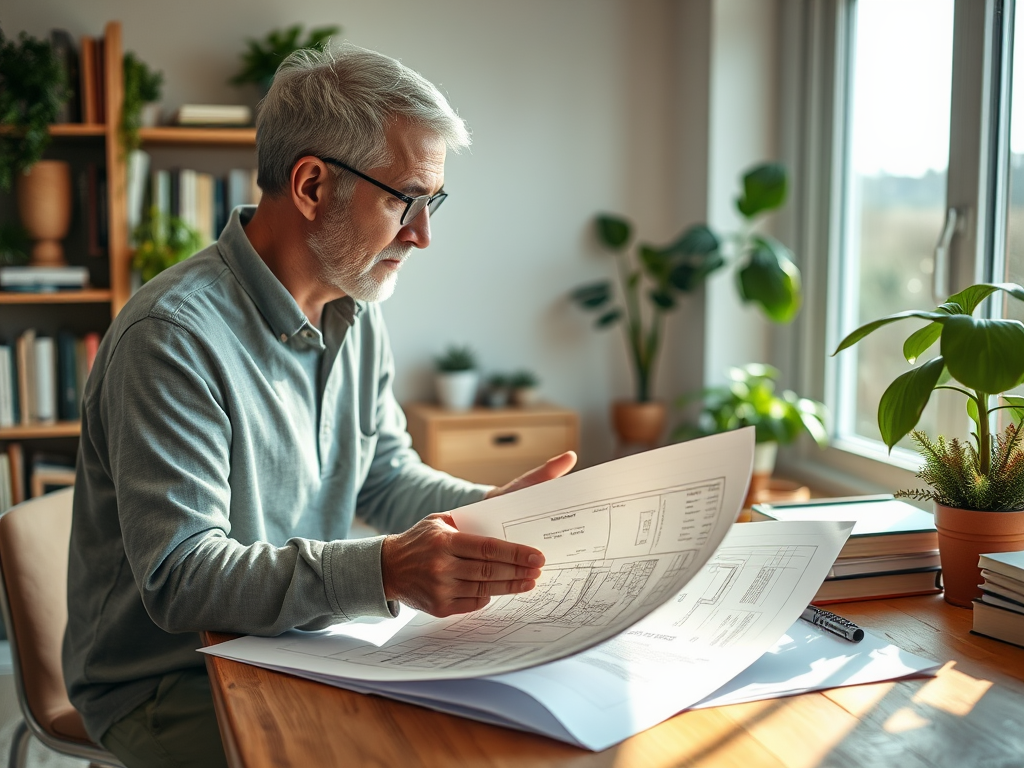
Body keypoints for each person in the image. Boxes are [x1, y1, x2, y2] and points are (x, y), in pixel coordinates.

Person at [62, 44, 575, 768]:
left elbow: (384, 475)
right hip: (164, 681)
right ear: (310, 185)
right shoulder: (171, 338)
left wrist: (498, 514)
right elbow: (182, 577)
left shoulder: (355, 306)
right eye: (405, 198)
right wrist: (387, 571)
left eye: (435, 201)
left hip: (295, 644)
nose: (424, 234)